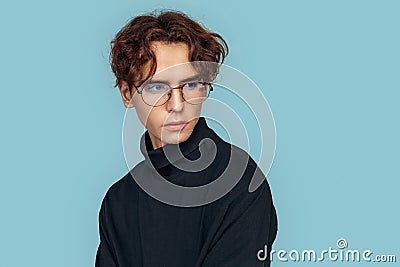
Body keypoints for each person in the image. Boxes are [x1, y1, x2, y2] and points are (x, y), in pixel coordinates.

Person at [95, 9, 278, 267]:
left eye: (191, 85)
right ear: (127, 94)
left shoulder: (241, 181)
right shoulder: (118, 201)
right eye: (157, 87)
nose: (177, 104)